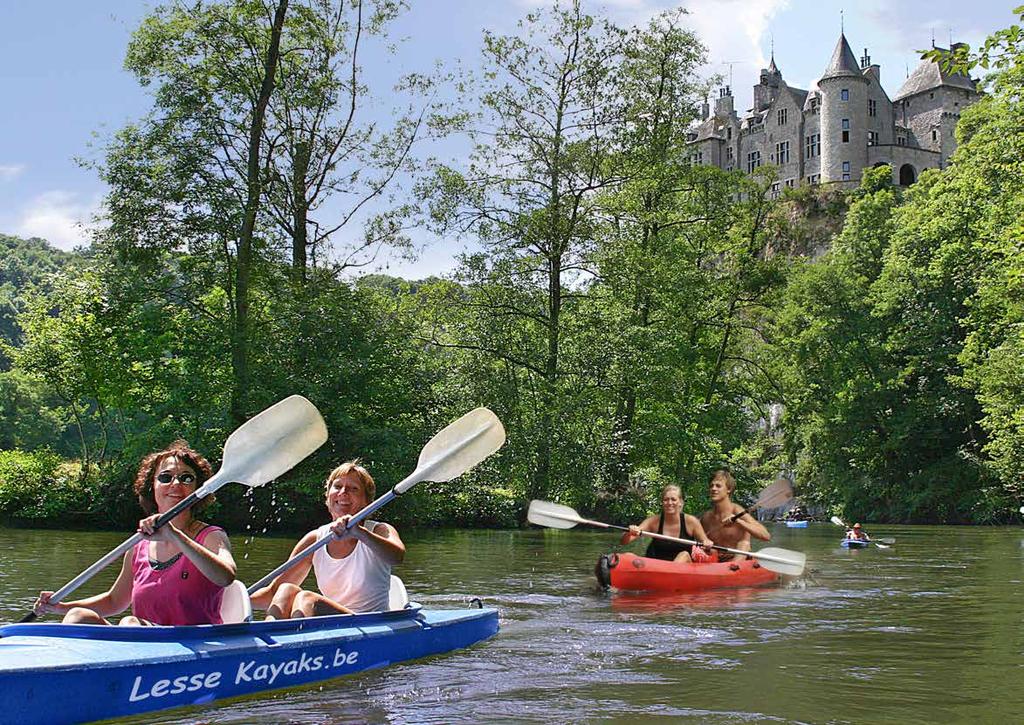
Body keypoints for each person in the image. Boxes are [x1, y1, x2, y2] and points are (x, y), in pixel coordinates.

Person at [34, 440, 236, 625]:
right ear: (152, 487)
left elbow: (225, 577)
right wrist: (60, 607)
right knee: (78, 617)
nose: (176, 484)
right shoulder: (138, 546)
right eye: (166, 477)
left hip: (195, 644)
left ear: (197, 487)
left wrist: (174, 535)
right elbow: (114, 601)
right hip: (143, 644)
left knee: (129, 622)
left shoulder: (211, 536)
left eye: (186, 478)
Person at [250, 460, 405, 618]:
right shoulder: (314, 540)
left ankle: (296, 641)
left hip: (372, 625)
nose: (343, 492)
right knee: (286, 590)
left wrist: (360, 533)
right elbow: (272, 593)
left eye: (353, 489)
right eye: (337, 486)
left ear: (366, 501)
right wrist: (235, 599)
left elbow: (396, 557)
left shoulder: (379, 530)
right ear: (328, 496)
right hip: (334, 624)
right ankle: (270, 640)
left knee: (307, 599)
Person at [620, 484, 714, 563]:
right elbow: (624, 542)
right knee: (627, 555)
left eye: (673, 499)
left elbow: (710, 551)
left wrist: (707, 545)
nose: (669, 503)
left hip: (682, 567)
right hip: (656, 565)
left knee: (684, 555)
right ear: (662, 502)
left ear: (680, 502)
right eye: (666, 499)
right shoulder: (653, 521)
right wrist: (629, 532)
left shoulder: (691, 522)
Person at [699, 468, 771, 561]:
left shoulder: (738, 511)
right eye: (711, 486)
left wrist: (739, 521)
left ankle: (732, 568)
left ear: (729, 489)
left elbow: (766, 536)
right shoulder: (706, 518)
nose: (713, 489)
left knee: (744, 544)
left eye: (718, 486)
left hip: (738, 560)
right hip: (716, 561)